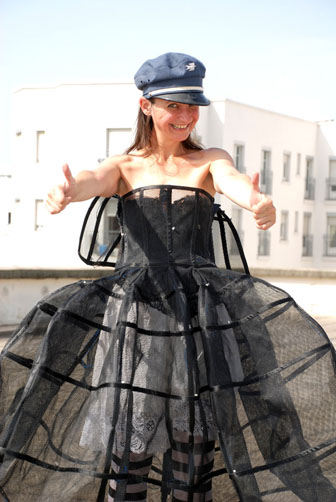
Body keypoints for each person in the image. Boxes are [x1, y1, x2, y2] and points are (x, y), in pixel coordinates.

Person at [0, 53, 336, 502]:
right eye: (173, 105)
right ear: (147, 107)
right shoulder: (124, 165)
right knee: (128, 452)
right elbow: (91, 179)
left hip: (199, 319)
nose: (185, 116)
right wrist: (67, 191)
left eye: (191, 105)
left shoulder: (210, 160)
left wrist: (258, 203)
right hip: (137, 321)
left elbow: (234, 181)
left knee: (195, 448)